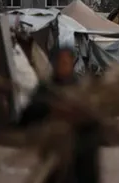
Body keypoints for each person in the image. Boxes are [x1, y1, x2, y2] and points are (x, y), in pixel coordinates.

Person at [18, 48, 102, 183]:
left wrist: (81, 116)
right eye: (61, 62)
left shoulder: (82, 88)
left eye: (66, 61)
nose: (63, 65)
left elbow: (96, 120)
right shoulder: (46, 88)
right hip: (54, 152)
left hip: (81, 154)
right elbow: (28, 115)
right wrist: (51, 109)